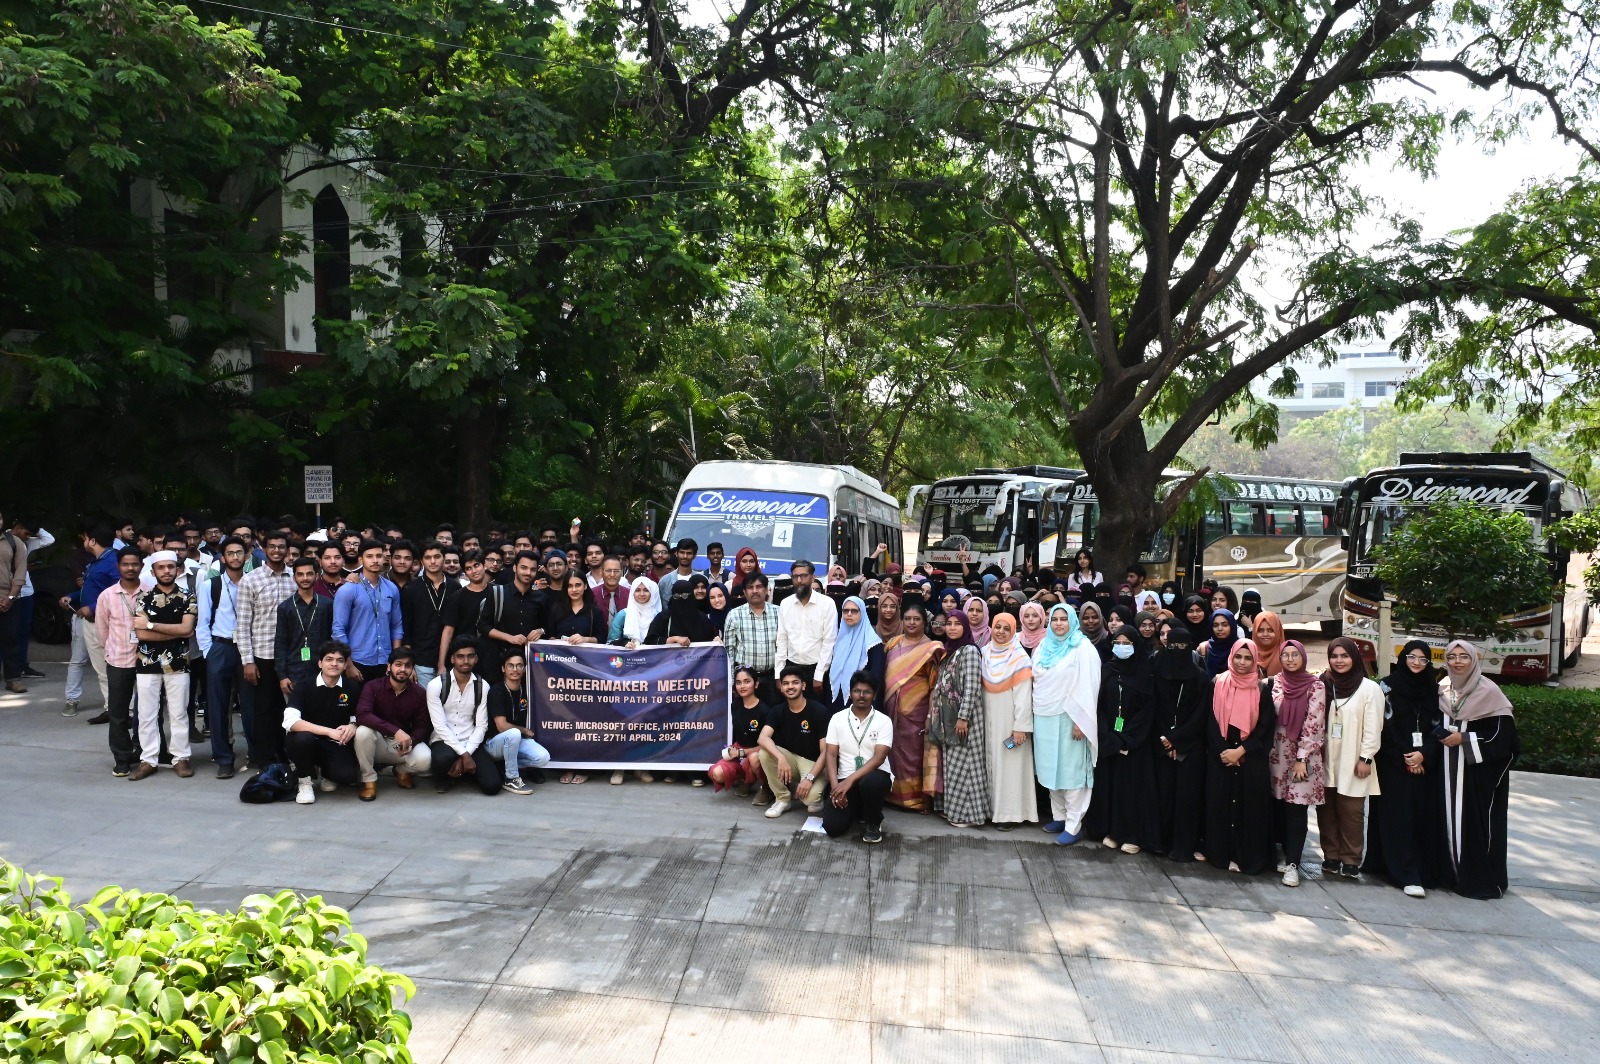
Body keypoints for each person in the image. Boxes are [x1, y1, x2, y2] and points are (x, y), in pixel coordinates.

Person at [1437, 640, 1519, 900]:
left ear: (1474, 661)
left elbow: (1503, 739)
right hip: (1446, 772)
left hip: (1476, 776)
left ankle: (1479, 879)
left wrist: (1465, 738)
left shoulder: (1490, 692)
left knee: (1474, 824)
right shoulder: (1442, 688)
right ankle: (1448, 874)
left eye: (1464, 657)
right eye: (1452, 657)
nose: (1457, 662)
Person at [1365, 640, 1443, 897]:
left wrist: (1423, 756)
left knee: (1420, 816)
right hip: (1393, 763)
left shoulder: (1434, 689)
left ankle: (1417, 869)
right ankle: (1402, 872)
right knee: (1396, 816)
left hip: (1424, 764)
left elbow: (1438, 727)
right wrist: (1406, 757)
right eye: (1412, 657)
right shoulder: (1386, 686)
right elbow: (1385, 725)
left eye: (1423, 659)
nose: (1417, 663)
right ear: (1403, 657)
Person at [1203, 641, 1277, 874]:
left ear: (1255, 660)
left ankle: (1247, 858)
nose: (1242, 663)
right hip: (1221, 758)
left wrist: (1241, 751)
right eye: (1238, 657)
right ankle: (1221, 855)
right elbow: (1210, 722)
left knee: (1250, 810)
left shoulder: (1262, 689)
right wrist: (1224, 752)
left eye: (1248, 658)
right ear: (1231, 657)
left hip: (1250, 759)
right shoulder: (1217, 683)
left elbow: (1265, 727)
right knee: (1220, 807)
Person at [1087, 627, 1161, 853]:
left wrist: (1126, 739)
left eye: (1126, 642)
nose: (1121, 646)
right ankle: (1112, 830)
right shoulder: (1107, 670)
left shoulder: (1145, 672)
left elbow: (1148, 710)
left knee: (1133, 790)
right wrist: (1108, 736)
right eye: (1117, 642)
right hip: (1109, 742)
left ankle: (1133, 835)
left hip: (1135, 746)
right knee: (1111, 787)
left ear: (1136, 644)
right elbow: (1097, 705)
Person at [1032, 604, 1101, 845]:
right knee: (1050, 769)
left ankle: (1073, 825)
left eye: (1064, 619)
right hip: (1044, 716)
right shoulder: (1043, 646)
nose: (1059, 623)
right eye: (1054, 619)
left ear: (1072, 622)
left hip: (1070, 718)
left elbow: (1089, 686)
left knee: (1071, 773)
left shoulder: (1083, 648)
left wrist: (1081, 721)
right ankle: (1059, 817)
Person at [128, 551, 198, 780]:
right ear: (153, 571)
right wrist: (169, 632)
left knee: (179, 713)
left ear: (177, 569)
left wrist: (150, 624)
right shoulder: (143, 598)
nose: (167, 571)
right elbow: (141, 636)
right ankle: (148, 760)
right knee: (146, 714)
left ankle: (180, 758)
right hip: (147, 664)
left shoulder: (188, 596)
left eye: (171, 566)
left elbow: (187, 630)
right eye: (162, 567)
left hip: (178, 664)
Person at [1318, 636, 1383, 881]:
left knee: (1351, 811)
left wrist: (1366, 758)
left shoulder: (1369, 689)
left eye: (1344, 655)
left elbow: (1373, 727)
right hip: (1326, 757)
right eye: (1334, 656)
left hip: (1354, 759)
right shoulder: (1323, 684)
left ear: (1354, 658)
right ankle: (1331, 855)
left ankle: (1351, 859)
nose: (1339, 660)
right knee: (1326, 809)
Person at [1267, 639, 1327, 887]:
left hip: (1303, 757)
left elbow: (1314, 722)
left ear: (1303, 657)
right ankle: (1279, 855)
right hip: (1277, 753)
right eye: (1286, 655)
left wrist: (1301, 758)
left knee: (1297, 808)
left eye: (1295, 655)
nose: (1290, 659)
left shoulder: (1316, 686)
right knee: (1278, 805)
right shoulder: (1275, 683)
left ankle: (1293, 863)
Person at [236, 530, 296, 767]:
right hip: (263, 654)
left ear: (287, 549)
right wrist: (247, 660)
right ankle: (264, 760)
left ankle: (288, 757)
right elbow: (242, 624)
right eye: (272, 546)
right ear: (264, 547)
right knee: (264, 710)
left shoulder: (296, 576)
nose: (277, 551)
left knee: (291, 709)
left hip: (293, 656)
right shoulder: (251, 580)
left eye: (281, 546)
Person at [1151, 618, 1208, 861]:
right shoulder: (1157, 673)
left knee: (1186, 799)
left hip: (1189, 748)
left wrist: (1178, 741)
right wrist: (1165, 738)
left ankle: (1183, 846)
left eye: (1183, 646)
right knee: (1162, 798)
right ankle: (1160, 843)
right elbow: (1153, 708)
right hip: (1161, 745)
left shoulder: (1201, 677)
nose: (1177, 651)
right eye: (1172, 646)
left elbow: (1201, 714)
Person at [283, 640, 363, 804]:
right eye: (329, 659)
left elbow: (358, 715)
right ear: (320, 663)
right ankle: (304, 781)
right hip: (305, 740)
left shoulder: (352, 687)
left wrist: (352, 725)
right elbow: (290, 721)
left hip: (335, 742)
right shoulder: (304, 686)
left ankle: (327, 773)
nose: (334, 664)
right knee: (303, 739)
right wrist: (327, 731)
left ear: (345, 664)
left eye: (340, 660)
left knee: (347, 776)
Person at [819, 671, 895, 843]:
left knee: (870, 782)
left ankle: (873, 822)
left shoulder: (883, 721)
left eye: (867, 692)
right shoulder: (837, 718)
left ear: (874, 695)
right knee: (832, 827)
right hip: (844, 778)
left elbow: (879, 758)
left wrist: (849, 781)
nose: (861, 696)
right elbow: (830, 754)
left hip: (875, 776)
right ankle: (858, 809)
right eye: (856, 691)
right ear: (850, 692)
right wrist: (835, 787)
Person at [882, 603, 943, 812]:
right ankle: (892, 795)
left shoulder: (932, 649)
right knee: (892, 751)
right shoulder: (892, 643)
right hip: (891, 709)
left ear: (924, 623)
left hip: (917, 711)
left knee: (915, 754)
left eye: (916, 619)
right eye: (907, 618)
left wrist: (929, 714)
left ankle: (916, 799)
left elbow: (934, 685)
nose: (911, 623)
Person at [930, 609, 988, 827]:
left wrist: (963, 718)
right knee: (953, 767)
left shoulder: (970, 651)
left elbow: (972, 686)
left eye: (957, 624)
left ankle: (967, 815)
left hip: (965, 720)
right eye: (949, 623)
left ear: (965, 627)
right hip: (950, 718)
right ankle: (954, 810)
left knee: (966, 767)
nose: (952, 627)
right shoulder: (950, 650)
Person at [353, 646, 433, 799]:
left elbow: (422, 727)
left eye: (407, 665)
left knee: (425, 760)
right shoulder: (373, 686)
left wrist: (412, 740)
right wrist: (396, 731)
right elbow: (362, 715)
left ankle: (401, 771)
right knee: (363, 732)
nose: (402, 669)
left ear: (412, 669)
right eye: (398, 664)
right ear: (389, 667)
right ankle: (369, 780)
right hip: (376, 742)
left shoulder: (419, 693)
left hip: (401, 744)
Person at [980, 612, 1037, 829]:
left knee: (1010, 768)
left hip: (1011, 723)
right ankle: (991, 811)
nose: (1001, 632)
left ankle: (1010, 814)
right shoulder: (984, 653)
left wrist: (1020, 727)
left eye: (1006, 629)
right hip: (988, 719)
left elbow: (1024, 697)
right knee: (990, 765)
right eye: (998, 627)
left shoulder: (1020, 658)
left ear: (1013, 632)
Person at [756, 666, 833, 817]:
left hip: (815, 763)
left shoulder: (818, 711)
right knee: (764, 753)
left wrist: (809, 779)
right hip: (792, 759)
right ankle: (783, 799)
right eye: (786, 683)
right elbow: (762, 738)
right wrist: (781, 757)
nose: (790, 686)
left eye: (795, 682)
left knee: (810, 800)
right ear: (781, 688)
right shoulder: (778, 710)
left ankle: (818, 796)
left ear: (803, 685)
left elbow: (826, 752)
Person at [425, 638, 499, 795]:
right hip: (443, 740)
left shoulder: (482, 686)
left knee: (492, 786)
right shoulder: (436, 685)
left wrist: (466, 754)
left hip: (470, 740)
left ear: (476, 659)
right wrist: (465, 755)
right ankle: (443, 778)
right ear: (452, 659)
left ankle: (463, 770)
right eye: (460, 656)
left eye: (470, 656)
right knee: (442, 759)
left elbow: (481, 726)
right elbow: (440, 726)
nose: (466, 661)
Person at [63, 525, 118, 720]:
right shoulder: (96, 562)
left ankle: (122, 710)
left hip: (105, 622)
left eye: (86, 538)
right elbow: (93, 589)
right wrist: (72, 596)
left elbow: (120, 590)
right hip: (90, 620)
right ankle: (112, 708)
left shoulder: (113, 561)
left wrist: (92, 607)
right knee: (101, 669)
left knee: (113, 667)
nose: (84, 542)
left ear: (93, 540)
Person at [333, 540, 404, 682]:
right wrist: (348, 664)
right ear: (361, 559)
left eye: (379, 556)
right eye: (369, 556)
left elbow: (396, 626)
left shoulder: (391, 588)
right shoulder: (348, 589)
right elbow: (338, 629)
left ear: (384, 558)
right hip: (357, 660)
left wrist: (396, 661)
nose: (375, 560)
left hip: (385, 660)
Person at [484, 652, 551, 796]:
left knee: (543, 757)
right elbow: (501, 726)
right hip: (494, 744)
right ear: (503, 668)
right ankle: (511, 778)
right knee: (514, 733)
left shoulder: (526, 690)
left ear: (524, 669)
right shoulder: (496, 691)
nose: (515, 669)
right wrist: (524, 730)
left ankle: (505, 766)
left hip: (516, 741)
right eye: (511, 666)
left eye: (519, 665)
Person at [477, 551, 547, 678]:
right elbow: (483, 626)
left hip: (528, 662)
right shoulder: (497, 592)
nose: (528, 573)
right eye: (523, 568)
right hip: (497, 660)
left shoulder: (541, 597)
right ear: (515, 568)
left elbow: (547, 626)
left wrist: (540, 631)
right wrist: (509, 637)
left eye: (532, 569)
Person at [401, 541, 457, 688]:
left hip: (452, 659)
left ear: (444, 558)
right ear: (421, 561)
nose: (433, 561)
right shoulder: (411, 589)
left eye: (437, 556)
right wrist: (409, 663)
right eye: (428, 557)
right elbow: (406, 628)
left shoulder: (455, 587)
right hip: (420, 659)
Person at [775, 560, 836, 694]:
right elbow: (782, 640)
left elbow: (829, 642)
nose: (800, 580)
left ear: (813, 577)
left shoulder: (827, 604)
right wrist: (778, 674)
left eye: (804, 576)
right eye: (795, 577)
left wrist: (819, 675)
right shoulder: (786, 604)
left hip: (817, 669)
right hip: (791, 667)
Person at [708, 666, 769, 798]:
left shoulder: (765, 710)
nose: (742, 686)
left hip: (758, 752)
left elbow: (768, 745)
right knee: (717, 773)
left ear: (756, 683)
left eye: (747, 681)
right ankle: (746, 781)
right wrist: (733, 751)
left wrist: (742, 752)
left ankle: (766, 788)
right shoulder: (734, 705)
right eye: (738, 682)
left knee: (754, 759)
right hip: (738, 750)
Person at [439, 550, 492, 674]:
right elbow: (448, 631)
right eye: (468, 568)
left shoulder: (497, 592)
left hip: (490, 656)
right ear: (465, 572)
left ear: (484, 565)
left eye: (476, 565)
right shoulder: (457, 597)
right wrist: (441, 664)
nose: (474, 571)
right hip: (464, 657)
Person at [829, 596, 884, 710]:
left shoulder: (873, 644)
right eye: (846, 611)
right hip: (835, 698)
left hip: (861, 701)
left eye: (854, 611)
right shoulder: (837, 640)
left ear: (862, 613)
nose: (849, 614)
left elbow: (876, 678)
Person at [645, 580, 717, 645]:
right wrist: (672, 639)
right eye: (676, 596)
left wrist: (716, 641)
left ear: (691, 596)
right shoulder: (664, 618)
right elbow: (649, 642)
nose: (681, 599)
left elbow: (711, 646)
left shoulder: (703, 620)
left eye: (685, 596)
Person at [547, 571, 605, 645]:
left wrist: (585, 639)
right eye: (570, 586)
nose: (574, 590)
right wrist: (557, 641)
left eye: (578, 585)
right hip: (559, 655)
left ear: (585, 586)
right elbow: (549, 635)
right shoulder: (556, 609)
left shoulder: (595, 611)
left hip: (584, 655)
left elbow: (601, 638)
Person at [610, 577, 662, 647]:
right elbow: (611, 642)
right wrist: (624, 643)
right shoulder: (623, 615)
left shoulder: (658, 616)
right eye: (637, 590)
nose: (642, 594)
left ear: (651, 592)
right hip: (627, 657)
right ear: (632, 593)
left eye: (646, 590)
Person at [589, 555, 630, 631]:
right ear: (601, 572)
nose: (612, 575)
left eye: (616, 571)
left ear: (622, 572)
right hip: (596, 641)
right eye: (608, 571)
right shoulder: (591, 594)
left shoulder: (629, 595)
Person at [1199, 609, 1243, 679]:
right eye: (1215, 625)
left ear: (1232, 625)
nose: (1220, 629)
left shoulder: (1241, 648)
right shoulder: (1204, 649)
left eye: (1224, 625)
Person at [1251, 611, 1286, 676]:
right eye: (1261, 630)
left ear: (1278, 631)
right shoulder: (1248, 653)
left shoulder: (1287, 656)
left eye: (1270, 630)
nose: (1265, 634)